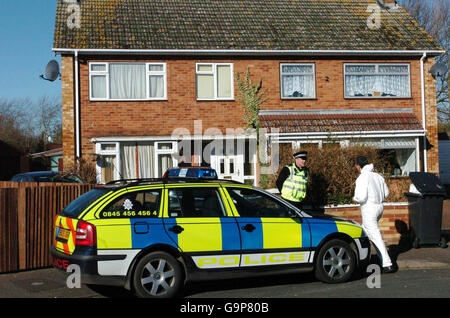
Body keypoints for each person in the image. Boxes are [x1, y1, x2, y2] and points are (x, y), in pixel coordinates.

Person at [353, 156, 396, 274]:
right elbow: (386, 193)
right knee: (365, 232)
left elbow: (361, 197)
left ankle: (388, 264)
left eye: (356, 166)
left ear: (358, 165)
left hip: (369, 208)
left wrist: (354, 198)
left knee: (375, 236)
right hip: (379, 207)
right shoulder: (378, 176)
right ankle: (370, 258)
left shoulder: (362, 177)